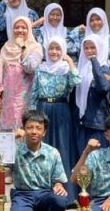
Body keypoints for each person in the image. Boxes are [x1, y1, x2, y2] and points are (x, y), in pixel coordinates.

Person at [8, 110, 73, 211]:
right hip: (22, 195)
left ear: (44, 132)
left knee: (61, 199)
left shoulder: (52, 153)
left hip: (45, 195)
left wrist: (58, 185)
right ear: (23, 129)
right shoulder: (14, 150)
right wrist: (10, 138)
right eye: (30, 127)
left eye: (38, 128)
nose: (34, 132)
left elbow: (58, 179)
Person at [27, 36, 79, 171]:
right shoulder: (40, 68)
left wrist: (70, 62)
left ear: (63, 50)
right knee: (42, 142)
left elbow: (76, 81)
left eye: (58, 49)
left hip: (61, 109)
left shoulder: (66, 69)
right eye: (51, 48)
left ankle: (62, 179)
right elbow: (34, 92)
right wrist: (32, 115)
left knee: (62, 143)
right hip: (42, 108)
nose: (54, 52)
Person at [0, 16, 42, 131]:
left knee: (25, 128)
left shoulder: (35, 47)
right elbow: (0, 72)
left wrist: (23, 47)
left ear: (29, 29)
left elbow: (30, 68)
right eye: (17, 27)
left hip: (26, 96)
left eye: (24, 27)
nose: (20, 30)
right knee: (8, 130)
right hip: (8, 97)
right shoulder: (7, 46)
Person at [75, 36, 110, 151]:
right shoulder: (81, 68)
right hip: (82, 121)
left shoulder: (104, 68)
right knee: (84, 157)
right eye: (86, 48)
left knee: (97, 157)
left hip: (97, 123)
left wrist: (94, 61)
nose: (89, 51)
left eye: (93, 47)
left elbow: (103, 87)